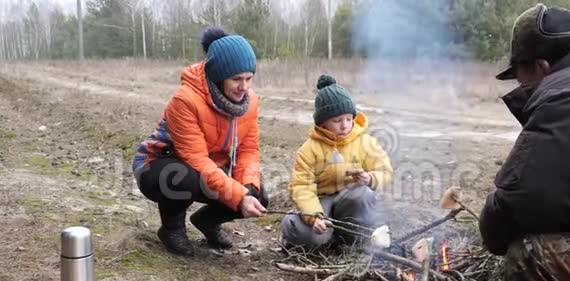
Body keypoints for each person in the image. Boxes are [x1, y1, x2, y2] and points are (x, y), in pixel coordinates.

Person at [480, 4, 570, 281]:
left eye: (518, 74)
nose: (519, 86)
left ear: (541, 66)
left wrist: (490, 224)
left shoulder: (565, 96)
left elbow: (520, 201)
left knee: (532, 250)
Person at [132, 27, 268, 256]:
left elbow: (248, 150)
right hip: (159, 164)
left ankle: (207, 222)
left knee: (257, 192)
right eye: (236, 79)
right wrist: (237, 196)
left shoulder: (250, 102)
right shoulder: (185, 101)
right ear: (218, 76)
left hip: (208, 167)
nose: (244, 87)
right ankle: (172, 229)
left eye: (249, 79)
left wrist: (247, 190)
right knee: (181, 175)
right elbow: (195, 159)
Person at [280, 74, 393, 250]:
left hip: (350, 203)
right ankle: (306, 230)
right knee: (311, 237)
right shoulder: (308, 150)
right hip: (320, 202)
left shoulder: (366, 143)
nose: (345, 125)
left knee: (363, 194)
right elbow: (301, 187)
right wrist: (314, 216)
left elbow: (385, 172)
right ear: (322, 122)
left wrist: (370, 178)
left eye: (349, 119)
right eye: (337, 120)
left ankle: (346, 237)